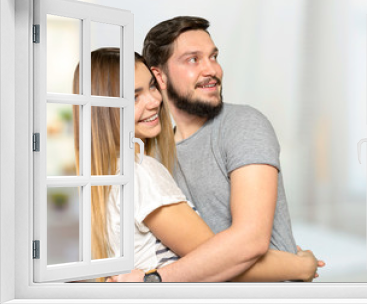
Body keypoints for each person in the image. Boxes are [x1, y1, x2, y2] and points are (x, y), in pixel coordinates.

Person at [74, 48, 322, 282]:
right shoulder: (140, 171)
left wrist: (280, 257)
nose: (154, 101)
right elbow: (221, 262)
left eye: (152, 87)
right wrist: (301, 265)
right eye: (134, 97)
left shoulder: (107, 174)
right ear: (104, 110)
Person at [142, 16, 310, 281]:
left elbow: (251, 240)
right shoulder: (155, 157)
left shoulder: (242, 124)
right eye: (193, 59)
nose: (212, 70)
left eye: (214, 56)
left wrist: (154, 281)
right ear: (159, 76)